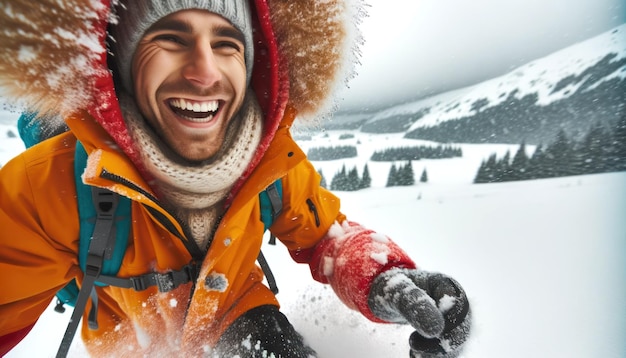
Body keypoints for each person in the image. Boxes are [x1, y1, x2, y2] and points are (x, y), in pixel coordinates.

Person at [0, 1, 471, 357]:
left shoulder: (271, 164)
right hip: (131, 344)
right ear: (120, 62)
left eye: (227, 43)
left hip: (244, 319)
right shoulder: (49, 186)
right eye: (171, 38)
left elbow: (328, 238)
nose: (205, 72)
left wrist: (384, 279)